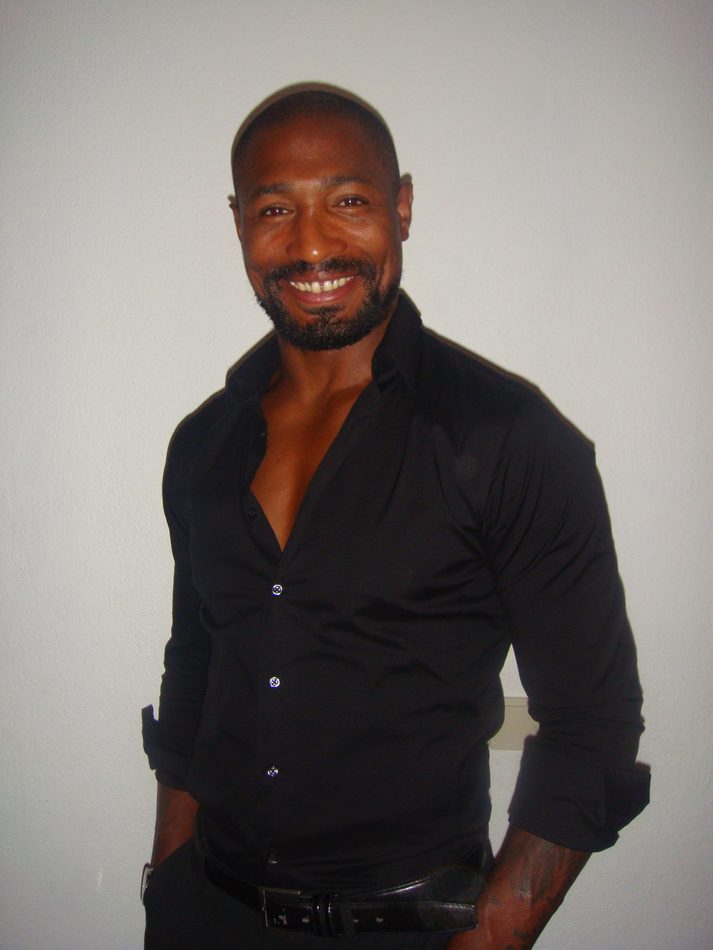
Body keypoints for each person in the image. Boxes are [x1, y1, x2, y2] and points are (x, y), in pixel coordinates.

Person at [142, 86, 649, 949]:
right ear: (238, 223)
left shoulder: (509, 439)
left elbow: (591, 727)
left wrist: (493, 938)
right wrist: (167, 882)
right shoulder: (202, 444)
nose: (311, 245)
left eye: (347, 201)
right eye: (274, 209)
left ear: (400, 207)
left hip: (409, 929)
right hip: (205, 915)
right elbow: (195, 670)